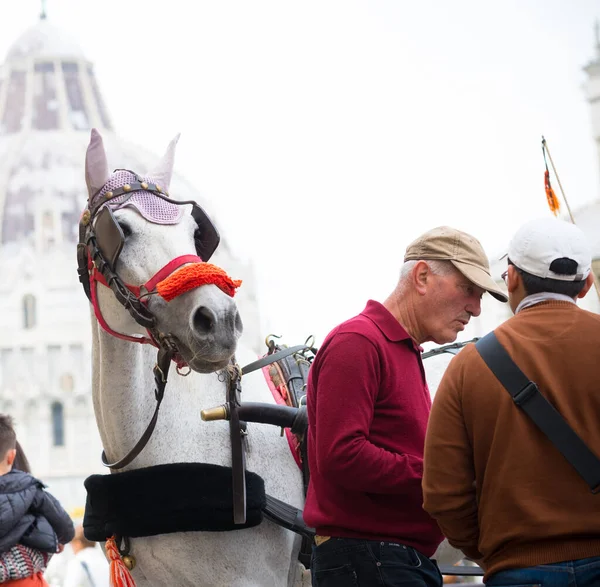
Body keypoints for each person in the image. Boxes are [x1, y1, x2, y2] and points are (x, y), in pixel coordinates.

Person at [304, 226, 507, 587]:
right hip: (372, 561)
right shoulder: (359, 341)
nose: (476, 309)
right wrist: (443, 474)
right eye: (468, 290)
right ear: (423, 276)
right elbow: (341, 455)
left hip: (385, 560)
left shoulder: (397, 348)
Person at [422, 217, 600, 587]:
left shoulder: (468, 367)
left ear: (512, 278)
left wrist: (494, 553)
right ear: (586, 284)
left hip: (518, 571)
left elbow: (443, 493)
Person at [0, 415, 74, 586]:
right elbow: (66, 528)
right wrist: (59, 539)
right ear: (12, 457)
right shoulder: (30, 488)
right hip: (23, 580)